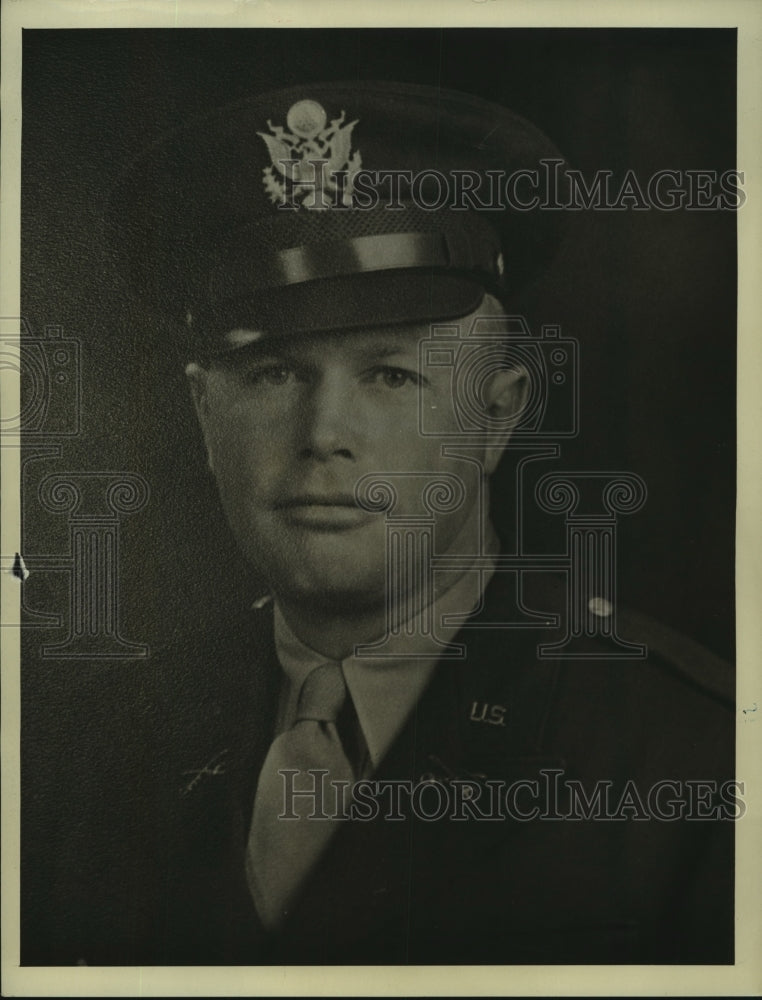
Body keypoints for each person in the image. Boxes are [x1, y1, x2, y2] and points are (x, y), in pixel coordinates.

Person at [22, 80, 734, 966]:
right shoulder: (77, 758)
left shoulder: (689, 758)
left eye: (391, 376)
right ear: (205, 418)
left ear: (499, 416)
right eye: (273, 374)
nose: (323, 436)